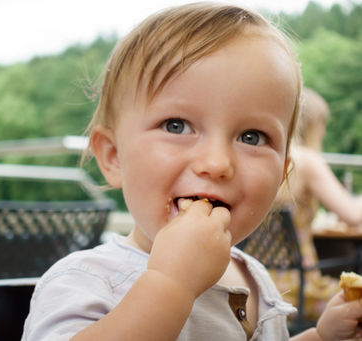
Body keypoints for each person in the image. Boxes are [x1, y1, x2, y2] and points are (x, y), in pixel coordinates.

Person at [22, 3, 362, 340]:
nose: (216, 163)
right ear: (113, 157)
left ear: (282, 174)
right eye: (176, 125)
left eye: (252, 137)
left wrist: (321, 336)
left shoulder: (254, 277)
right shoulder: (87, 281)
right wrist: (171, 284)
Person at [272, 88, 362, 320]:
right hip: (301, 292)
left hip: (254, 286)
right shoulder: (307, 161)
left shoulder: (268, 158)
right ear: (313, 124)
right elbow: (352, 215)